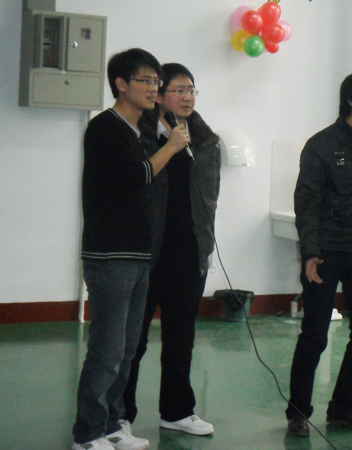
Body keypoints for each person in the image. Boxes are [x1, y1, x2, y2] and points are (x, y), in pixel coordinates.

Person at [73, 49, 190, 450]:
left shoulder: (140, 130)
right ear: (121, 84)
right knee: (106, 350)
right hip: (110, 254)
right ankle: (87, 434)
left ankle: (111, 425)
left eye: (157, 81)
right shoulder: (105, 128)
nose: (154, 88)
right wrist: (170, 148)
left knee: (125, 350)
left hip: (139, 253)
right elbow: (131, 178)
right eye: (146, 80)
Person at [286, 70, 352, 436]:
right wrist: (310, 252)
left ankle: (342, 407)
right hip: (326, 249)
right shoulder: (322, 144)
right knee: (315, 334)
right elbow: (307, 202)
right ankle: (298, 412)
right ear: (350, 99)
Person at [122, 63, 220, 436]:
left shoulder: (205, 140)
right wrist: (169, 146)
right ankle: (120, 414)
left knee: (181, 337)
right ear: (160, 96)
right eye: (179, 90)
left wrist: (204, 246)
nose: (187, 97)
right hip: (148, 252)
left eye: (191, 90)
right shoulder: (143, 136)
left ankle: (177, 411)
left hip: (188, 250)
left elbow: (209, 196)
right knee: (133, 340)